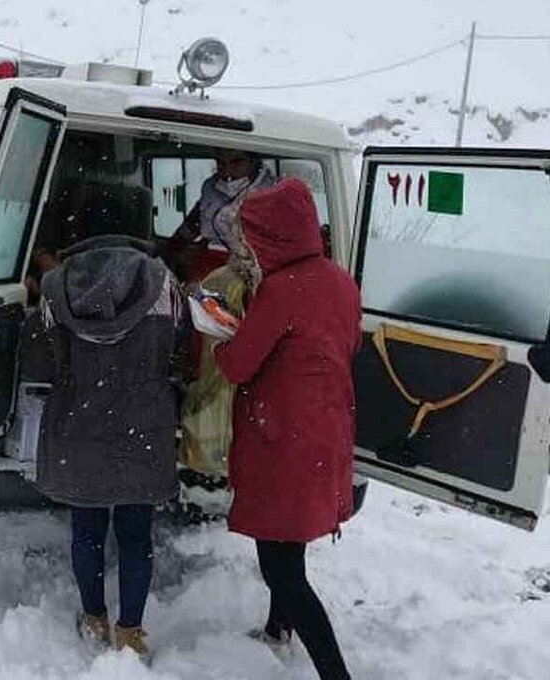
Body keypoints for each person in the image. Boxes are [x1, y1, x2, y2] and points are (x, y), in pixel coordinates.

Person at [213, 178, 361, 680]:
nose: (250, 248)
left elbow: (237, 366)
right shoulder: (340, 281)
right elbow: (342, 346)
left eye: (254, 238)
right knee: (288, 542)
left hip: (284, 440)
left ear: (273, 236)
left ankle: (334, 673)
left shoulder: (280, 291)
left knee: (280, 568)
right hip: (324, 431)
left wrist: (219, 338)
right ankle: (278, 631)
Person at [20, 235, 186, 660]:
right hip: (144, 426)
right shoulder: (165, 286)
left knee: (88, 530)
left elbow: (41, 365)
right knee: (135, 534)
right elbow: (181, 354)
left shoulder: (56, 290)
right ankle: (130, 630)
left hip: (79, 425)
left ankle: (94, 618)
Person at [164, 148, 275, 285]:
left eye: (237, 162)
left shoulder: (273, 194)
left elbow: (272, 250)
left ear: (253, 162)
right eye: (221, 163)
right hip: (207, 265)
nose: (227, 171)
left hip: (249, 273)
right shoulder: (211, 188)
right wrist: (178, 250)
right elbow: (194, 223)